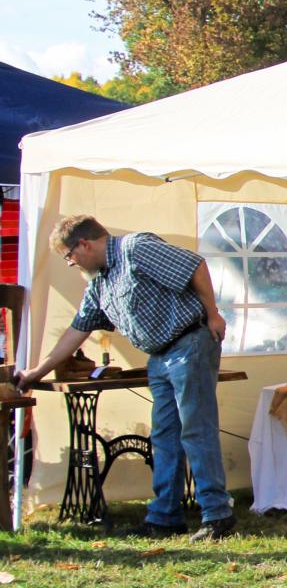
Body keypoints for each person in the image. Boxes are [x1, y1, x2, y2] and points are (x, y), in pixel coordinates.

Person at [16, 215, 234, 541]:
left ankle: (217, 514)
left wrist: (213, 313)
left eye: (69, 256)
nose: (71, 264)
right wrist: (37, 372)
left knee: (195, 429)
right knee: (165, 436)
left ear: (84, 244)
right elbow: (77, 330)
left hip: (190, 342)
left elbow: (194, 266)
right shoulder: (99, 283)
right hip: (159, 356)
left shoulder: (135, 248)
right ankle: (165, 517)